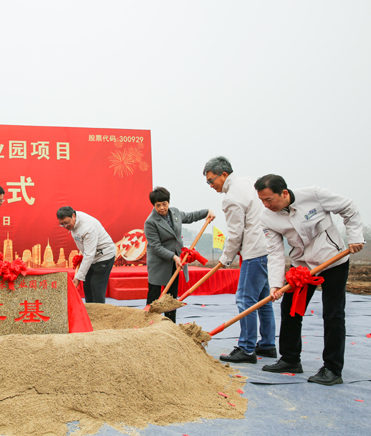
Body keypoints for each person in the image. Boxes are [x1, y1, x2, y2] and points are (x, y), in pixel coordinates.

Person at [255, 174, 364, 385]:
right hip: (302, 267)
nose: (266, 205)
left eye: (269, 199)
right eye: (262, 200)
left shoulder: (314, 195)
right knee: (290, 310)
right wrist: (275, 284)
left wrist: (355, 237)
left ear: (283, 193)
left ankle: (332, 369)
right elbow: (275, 252)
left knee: (333, 314)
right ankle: (290, 359)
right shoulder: (267, 218)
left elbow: (349, 207)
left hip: (333, 260)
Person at [204, 156, 277, 363]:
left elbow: (235, 234)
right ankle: (267, 344)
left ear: (223, 174)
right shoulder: (249, 182)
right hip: (268, 248)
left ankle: (246, 348)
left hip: (255, 252)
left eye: (211, 181)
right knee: (263, 300)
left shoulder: (231, 198)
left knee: (245, 300)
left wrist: (225, 259)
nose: (211, 186)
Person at [144, 187, 214, 323]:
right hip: (159, 263)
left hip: (175, 262)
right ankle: (149, 324)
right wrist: (174, 256)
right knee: (154, 296)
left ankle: (170, 324)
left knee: (171, 297)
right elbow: (156, 246)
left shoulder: (175, 212)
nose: (162, 208)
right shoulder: (150, 222)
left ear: (168, 202)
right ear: (153, 205)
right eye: (158, 205)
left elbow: (190, 216)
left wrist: (207, 212)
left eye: (164, 204)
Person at [57, 206, 116, 303]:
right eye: (62, 224)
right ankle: (89, 311)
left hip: (104, 256)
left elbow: (89, 255)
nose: (65, 226)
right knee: (87, 286)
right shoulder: (74, 222)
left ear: (73, 216)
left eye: (66, 222)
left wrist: (77, 277)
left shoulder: (88, 227)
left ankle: (99, 311)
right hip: (91, 255)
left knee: (96, 286)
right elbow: (85, 248)